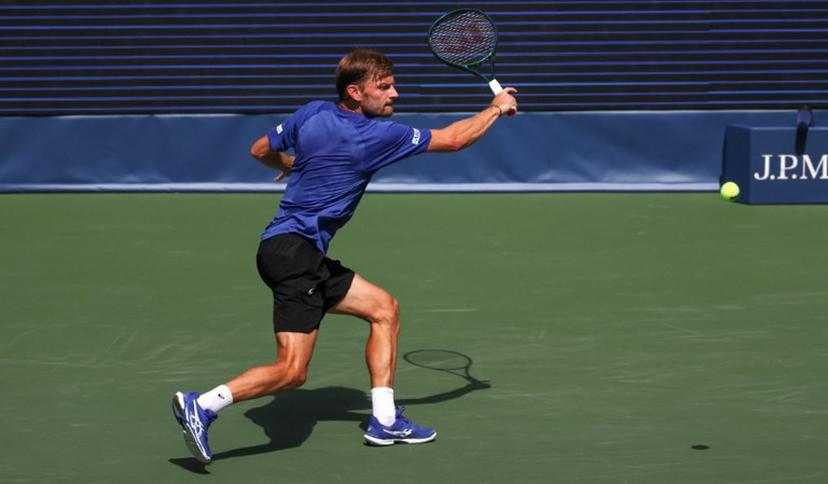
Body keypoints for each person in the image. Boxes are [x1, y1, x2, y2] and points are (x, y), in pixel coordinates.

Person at [171, 48, 517, 463]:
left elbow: (259, 149)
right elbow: (455, 139)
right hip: (296, 256)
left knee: (384, 309)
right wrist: (496, 108)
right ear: (356, 92)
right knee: (292, 371)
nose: (395, 94)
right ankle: (204, 405)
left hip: (286, 251)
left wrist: (293, 163)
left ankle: (385, 420)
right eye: (384, 87)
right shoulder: (377, 137)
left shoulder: (313, 112)